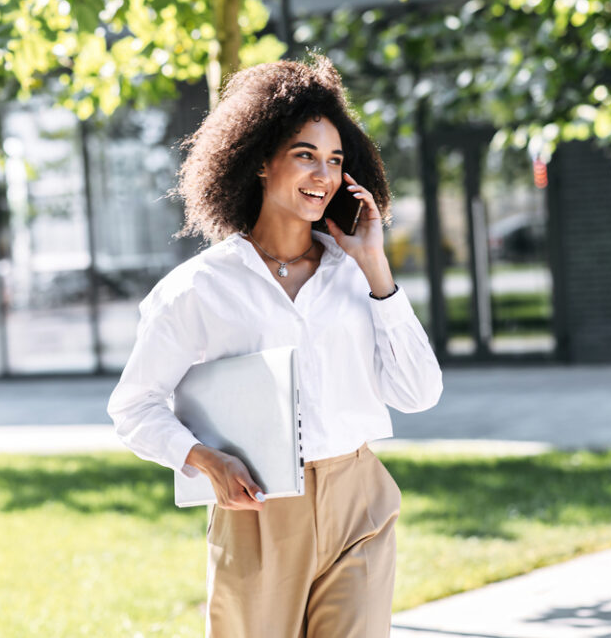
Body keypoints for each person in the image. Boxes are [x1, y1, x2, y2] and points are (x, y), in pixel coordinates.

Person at [106, 52, 443, 638]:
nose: (323, 175)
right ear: (261, 162)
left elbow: (418, 393)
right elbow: (133, 408)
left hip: (358, 497)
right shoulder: (198, 289)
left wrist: (377, 270)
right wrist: (203, 460)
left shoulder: (356, 272)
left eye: (335, 160)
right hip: (259, 509)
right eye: (304, 156)